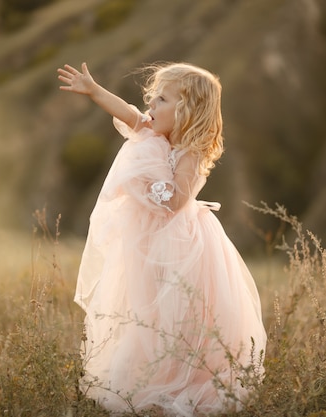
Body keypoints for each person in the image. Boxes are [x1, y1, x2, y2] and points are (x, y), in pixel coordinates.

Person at [57, 62, 266, 416]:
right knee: (145, 311)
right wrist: (94, 90)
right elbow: (129, 113)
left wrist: (143, 178)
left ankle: (183, 380)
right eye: (152, 99)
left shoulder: (189, 151)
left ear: (185, 111)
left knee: (178, 315)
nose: (150, 107)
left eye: (161, 100)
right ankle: (149, 376)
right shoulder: (154, 134)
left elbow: (175, 201)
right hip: (146, 246)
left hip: (181, 247)